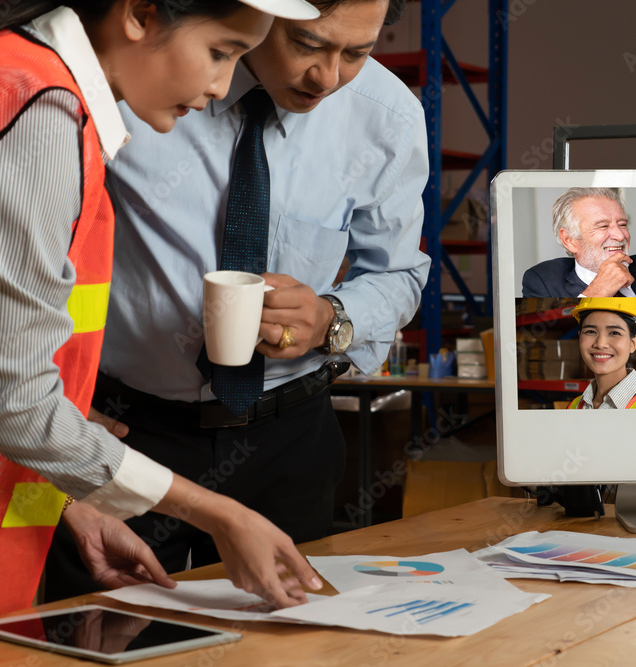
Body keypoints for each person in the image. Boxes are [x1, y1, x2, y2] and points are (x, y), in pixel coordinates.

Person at [0, 0, 327, 621]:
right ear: (140, 14)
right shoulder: (38, 111)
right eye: (220, 52)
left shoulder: (29, 83)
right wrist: (218, 513)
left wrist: (77, 502)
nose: (220, 87)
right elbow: (15, 403)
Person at [44, 0, 429, 600]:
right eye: (308, 44)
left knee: (282, 642)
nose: (327, 78)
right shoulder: (145, 79)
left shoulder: (386, 117)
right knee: (107, 633)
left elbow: (399, 273)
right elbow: (42, 260)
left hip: (290, 436)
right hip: (129, 430)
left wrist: (332, 317)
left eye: (356, 52)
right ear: (262, 14)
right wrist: (55, 405)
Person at [522, 187, 636, 298]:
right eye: (603, 226)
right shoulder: (542, 282)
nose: (619, 235)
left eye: (623, 224)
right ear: (569, 240)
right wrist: (597, 291)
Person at [564, 298, 636, 410]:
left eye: (614, 333)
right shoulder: (575, 406)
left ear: (633, 343)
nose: (600, 344)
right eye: (590, 332)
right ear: (580, 337)